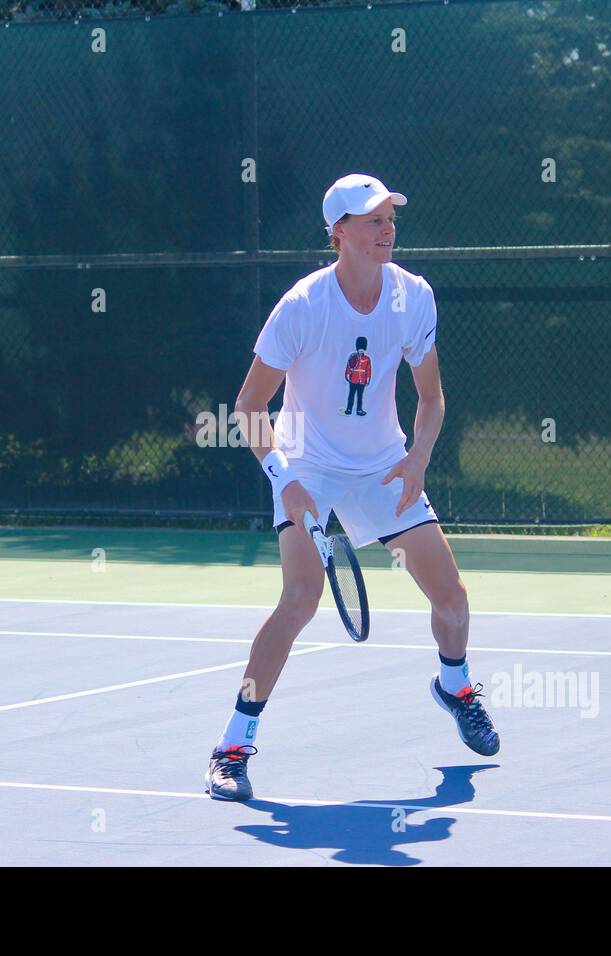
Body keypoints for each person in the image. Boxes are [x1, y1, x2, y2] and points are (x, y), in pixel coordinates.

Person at [204, 174, 500, 802]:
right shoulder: (303, 305)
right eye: (371, 219)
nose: (386, 227)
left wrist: (418, 458)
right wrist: (284, 479)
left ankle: (456, 685)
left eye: (390, 215)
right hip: (306, 465)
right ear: (337, 232)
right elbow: (250, 405)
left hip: (384, 468)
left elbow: (430, 396)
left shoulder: (413, 297)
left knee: (451, 597)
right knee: (301, 599)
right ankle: (232, 748)